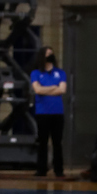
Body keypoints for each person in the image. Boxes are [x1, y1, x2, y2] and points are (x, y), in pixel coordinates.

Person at [30, 46, 67, 178]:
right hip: (42, 112)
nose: (50, 55)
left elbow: (62, 90)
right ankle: (41, 169)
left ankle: (59, 169)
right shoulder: (36, 73)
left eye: (51, 53)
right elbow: (37, 90)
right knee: (43, 142)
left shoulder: (60, 73)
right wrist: (53, 88)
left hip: (57, 112)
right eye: (47, 53)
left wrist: (44, 89)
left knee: (57, 142)